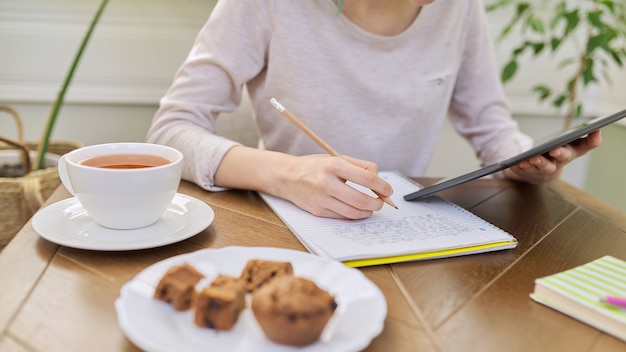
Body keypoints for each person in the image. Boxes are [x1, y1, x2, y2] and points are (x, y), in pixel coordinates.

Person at [147, 0, 601, 220]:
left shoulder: (459, 8)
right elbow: (170, 131)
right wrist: (287, 174)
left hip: (399, 230)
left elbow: (493, 130)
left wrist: (530, 160)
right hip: (289, 229)